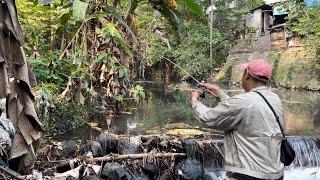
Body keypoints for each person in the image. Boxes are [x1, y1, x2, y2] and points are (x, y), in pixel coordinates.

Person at [191, 59, 285, 180]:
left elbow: (207, 118)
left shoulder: (243, 102)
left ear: (247, 75)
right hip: (276, 174)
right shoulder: (274, 98)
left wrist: (195, 100)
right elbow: (241, 111)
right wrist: (220, 93)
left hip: (248, 176)